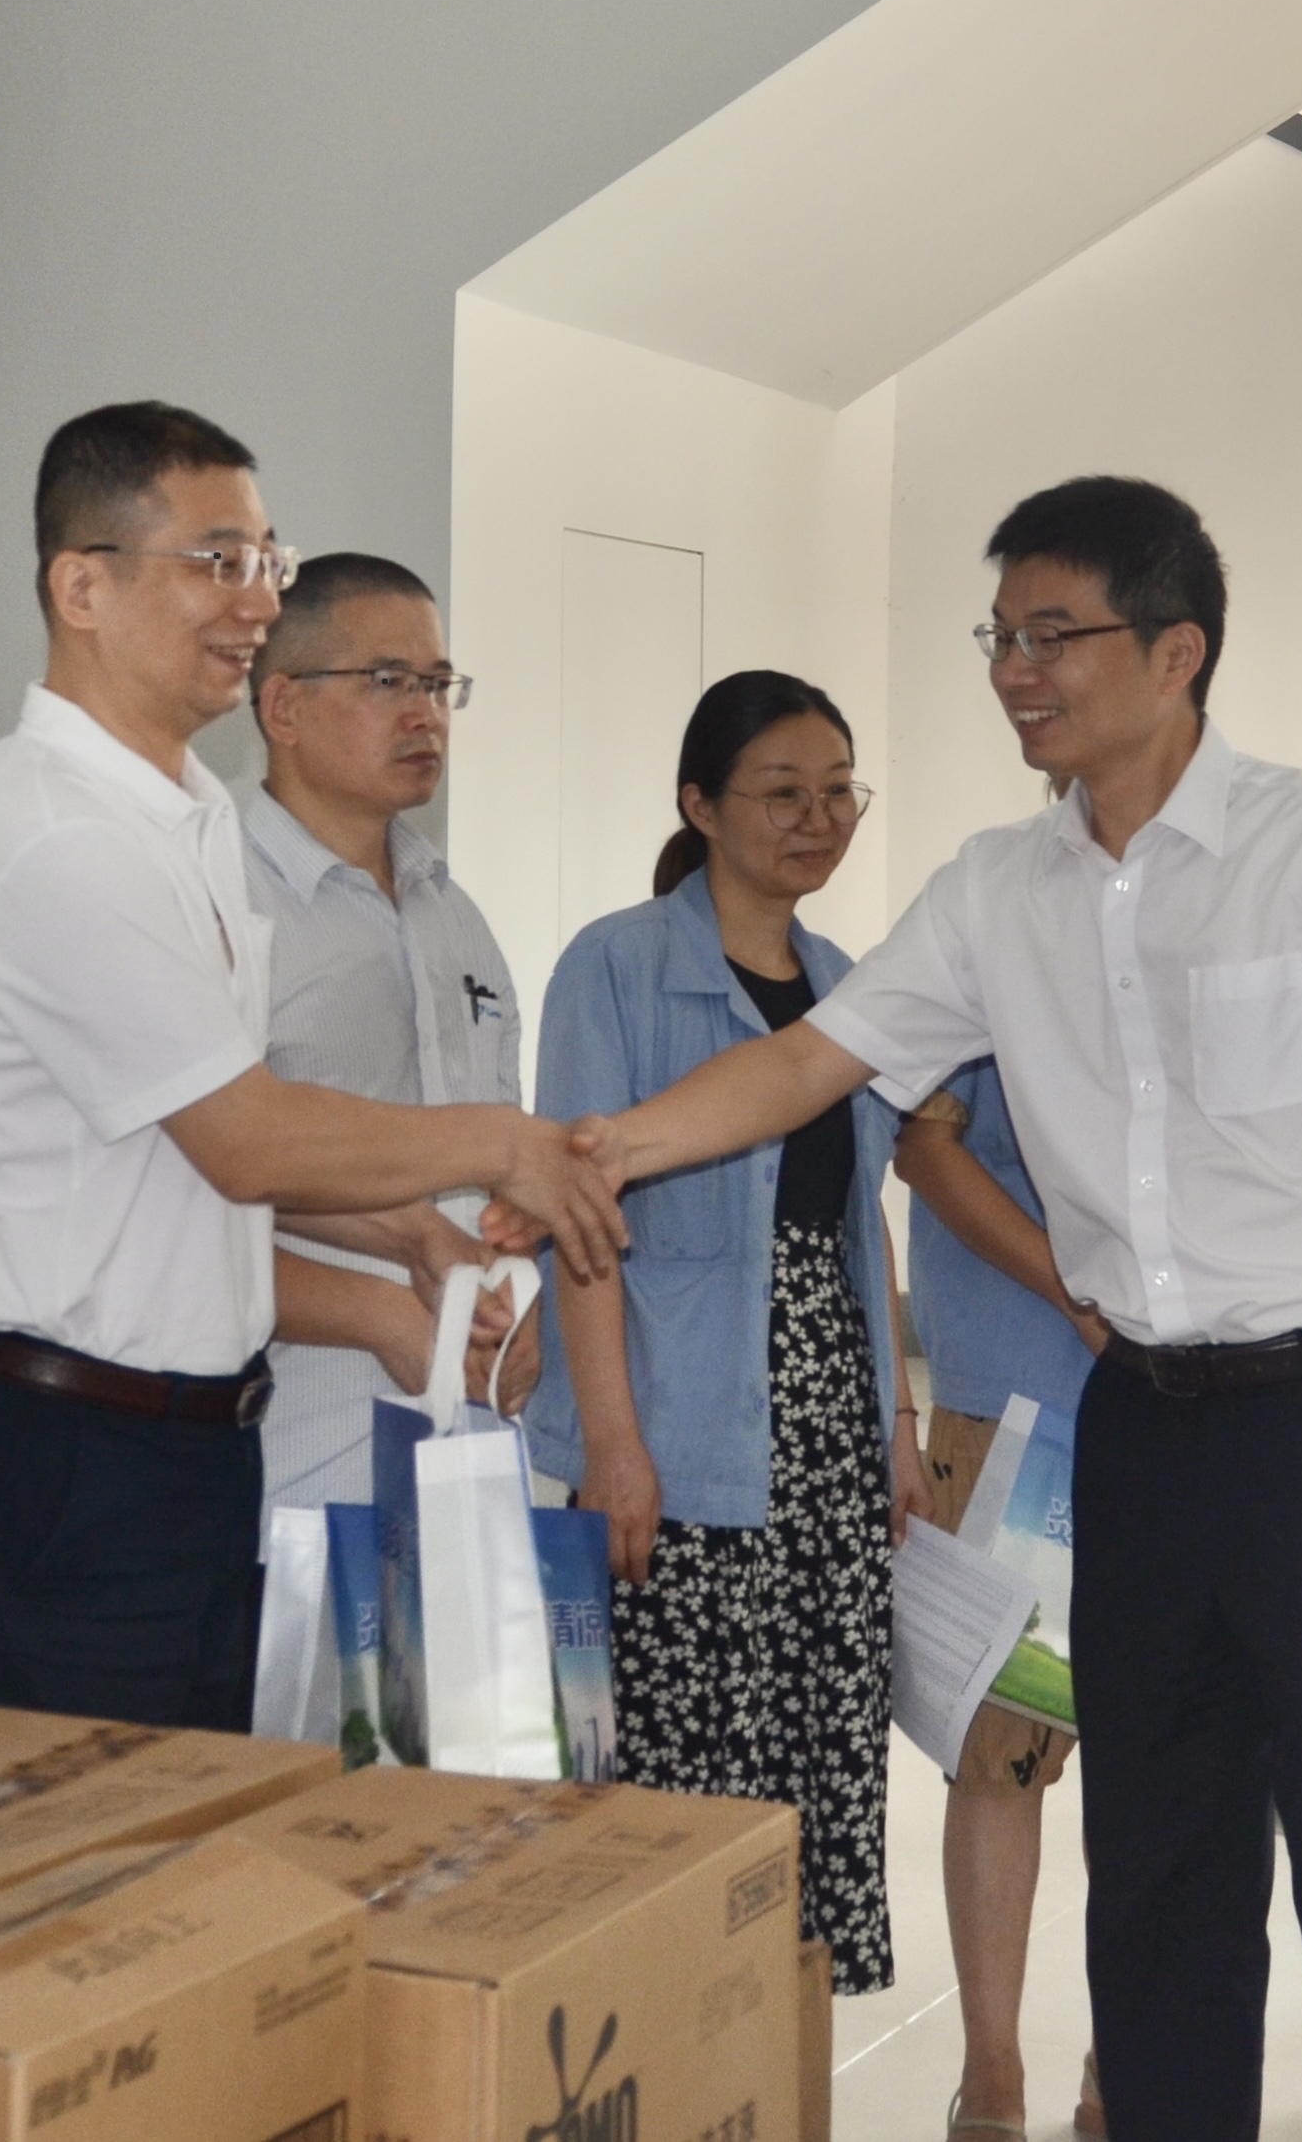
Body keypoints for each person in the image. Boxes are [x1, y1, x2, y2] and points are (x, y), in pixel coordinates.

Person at [533, 476, 1302, 2142]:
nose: (1016, 671)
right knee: (1153, 1884)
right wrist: (600, 1149)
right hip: (1141, 1421)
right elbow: (810, 1061)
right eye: (999, 637)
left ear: (1175, 652)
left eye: (1052, 635)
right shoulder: (993, 888)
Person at [0, 402, 625, 1731]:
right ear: (82, 588)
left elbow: (184, 1156)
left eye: (266, 561)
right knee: (95, 1855)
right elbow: (246, 1139)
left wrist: (407, 1232)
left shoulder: (182, 818)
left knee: (218, 1848)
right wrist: (500, 1145)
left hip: (188, 1453)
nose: (257, 600)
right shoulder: (55, 832)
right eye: (218, 561)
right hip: (61, 1455)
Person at [523, 671, 929, 1998]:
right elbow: (578, 1220)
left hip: (825, 1435)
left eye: (839, 792)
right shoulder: (616, 967)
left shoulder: (846, 987)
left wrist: (896, 1426)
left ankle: (777, 2056)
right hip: (680, 1431)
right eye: (781, 793)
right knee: (678, 1781)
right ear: (699, 805)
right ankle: (670, 2052)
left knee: (813, 1761)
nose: (818, 820)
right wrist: (613, 1443)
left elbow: (858, 1224)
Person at [240, 552, 538, 1511]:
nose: (425, 714)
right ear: (283, 706)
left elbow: (496, 1166)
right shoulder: (222, 903)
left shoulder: (453, 911)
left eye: (438, 684)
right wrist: (377, 1315)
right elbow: (175, 1203)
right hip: (294, 1451)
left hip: (470, 1441)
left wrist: (519, 1286)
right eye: (386, 681)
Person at [896, 1056, 1110, 2140]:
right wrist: (1072, 1290)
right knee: (996, 1755)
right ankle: (992, 2075)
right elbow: (923, 1147)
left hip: (1189, 1405)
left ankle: (1123, 2058)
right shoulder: (981, 957)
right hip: (1014, 1406)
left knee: (1159, 1768)